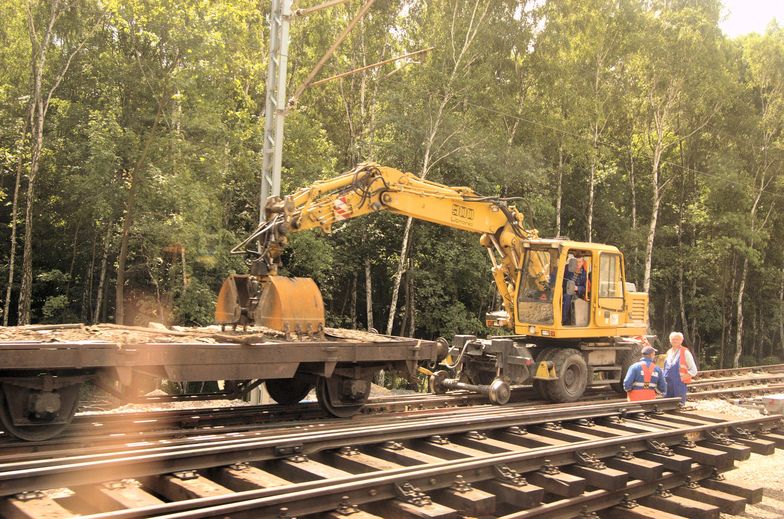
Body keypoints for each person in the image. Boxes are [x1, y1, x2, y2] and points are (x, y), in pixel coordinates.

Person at [663, 331, 698, 405]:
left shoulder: (685, 352)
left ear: (681, 341)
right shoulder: (669, 352)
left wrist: (682, 379)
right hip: (667, 384)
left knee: (678, 405)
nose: (675, 341)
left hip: (679, 384)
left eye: (677, 339)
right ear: (670, 340)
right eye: (673, 339)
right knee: (667, 405)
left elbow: (694, 370)